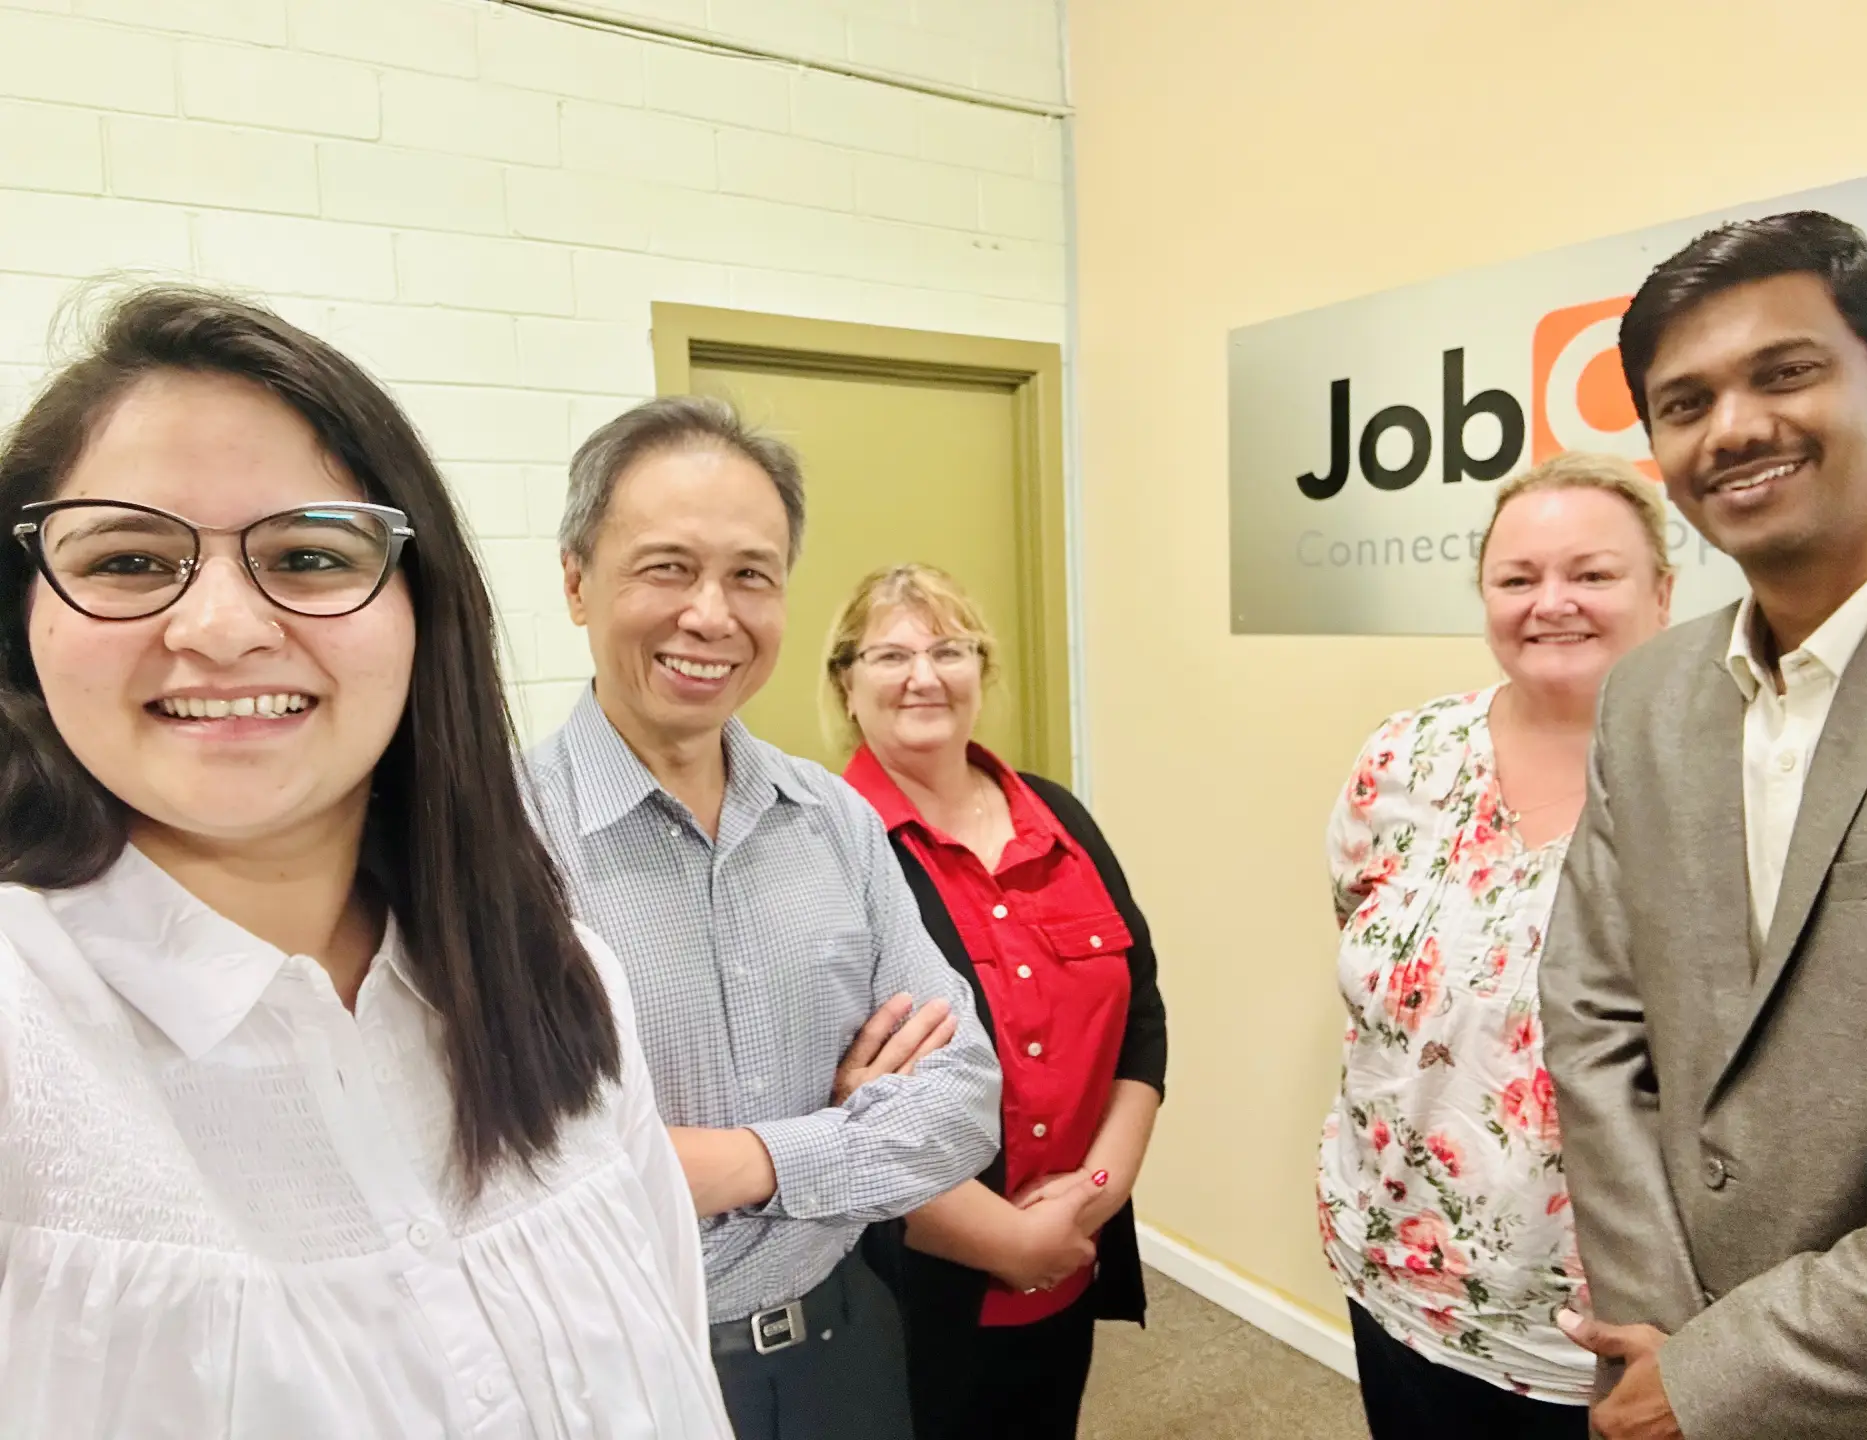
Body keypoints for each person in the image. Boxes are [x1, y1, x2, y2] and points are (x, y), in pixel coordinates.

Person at [0, 287, 732, 1438]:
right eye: (131, 559)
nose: (222, 627)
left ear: (420, 610)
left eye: (307, 554)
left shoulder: (561, 979)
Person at [523, 397, 1002, 1440]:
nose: (712, 616)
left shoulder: (833, 819)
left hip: (846, 1344)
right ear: (576, 582)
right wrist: (843, 1135)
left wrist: (737, 1162)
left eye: (752, 575)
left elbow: (966, 1101)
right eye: (667, 567)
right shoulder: (497, 843)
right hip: (615, 1370)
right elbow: (523, 1172)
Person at [1542, 211, 1867, 1440]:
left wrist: (1728, 1374)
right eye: (1686, 402)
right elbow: (1593, 1014)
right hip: (1656, 1349)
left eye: (1785, 372)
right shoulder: (1649, 694)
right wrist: (1661, 1335)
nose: (1735, 428)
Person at [1318, 451, 1674, 1439]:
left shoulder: (1717, 773)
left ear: (1662, 592)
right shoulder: (1406, 755)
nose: (1551, 602)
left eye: (1591, 573)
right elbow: (1367, 946)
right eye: (1518, 578)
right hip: (1392, 1265)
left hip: (1596, 1327)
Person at [823, 563, 1169, 1440]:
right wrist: (1007, 1242)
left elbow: (1142, 1018)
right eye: (891, 655)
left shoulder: (1060, 817)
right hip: (909, 1275)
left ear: (983, 670)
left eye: (950, 649)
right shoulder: (822, 844)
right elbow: (816, 1094)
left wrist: (1093, 1194)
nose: (925, 675)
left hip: (1069, 1246)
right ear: (845, 685)